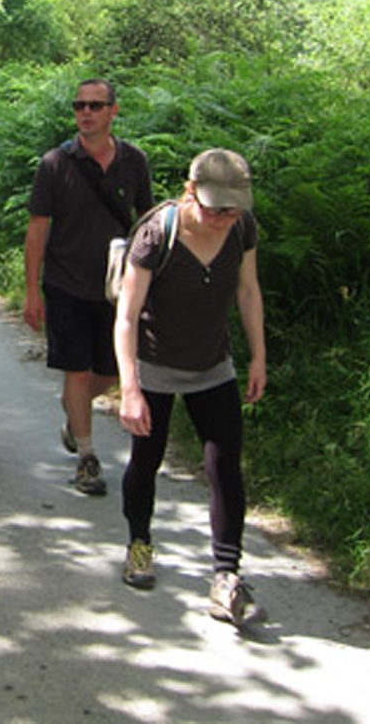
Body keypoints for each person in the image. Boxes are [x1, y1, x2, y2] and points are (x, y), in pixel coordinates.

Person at [114, 148, 267, 626]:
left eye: (232, 208)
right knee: (146, 460)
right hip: (156, 364)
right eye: (214, 208)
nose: (223, 218)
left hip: (212, 364)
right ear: (190, 193)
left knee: (225, 468)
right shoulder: (158, 233)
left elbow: (247, 290)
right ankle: (139, 545)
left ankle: (226, 575)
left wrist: (258, 356)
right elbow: (126, 314)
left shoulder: (241, 230)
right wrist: (130, 387)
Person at [24, 78, 153, 495]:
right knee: (76, 372)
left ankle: (73, 413)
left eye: (96, 105)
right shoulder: (54, 165)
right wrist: (31, 291)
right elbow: (37, 228)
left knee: (111, 371)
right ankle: (87, 457)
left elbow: (147, 221)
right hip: (65, 284)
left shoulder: (134, 161)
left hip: (118, 289)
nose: (86, 112)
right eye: (80, 105)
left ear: (113, 111)